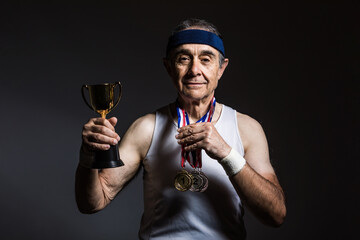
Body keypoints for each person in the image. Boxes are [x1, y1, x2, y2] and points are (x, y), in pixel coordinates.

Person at [76, 18, 286, 239]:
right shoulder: (146, 128)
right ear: (169, 67)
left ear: (221, 68)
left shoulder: (247, 129)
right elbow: (93, 202)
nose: (194, 70)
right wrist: (87, 157)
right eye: (183, 59)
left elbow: (276, 214)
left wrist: (227, 153)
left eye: (206, 59)